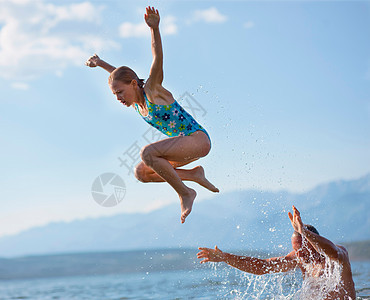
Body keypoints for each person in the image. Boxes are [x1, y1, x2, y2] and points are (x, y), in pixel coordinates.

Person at [86, 7, 219, 223]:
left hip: (197, 140)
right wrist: (100, 63)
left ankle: (185, 193)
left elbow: (157, 57)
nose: (118, 97)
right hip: (184, 150)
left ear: (132, 84)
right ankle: (194, 175)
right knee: (142, 173)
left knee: (147, 153)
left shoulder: (152, 90)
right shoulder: (138, 104)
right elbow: (116, 74)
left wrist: (154, 29)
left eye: (120, 92)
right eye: (114, 94)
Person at [197, 206, 356, 299]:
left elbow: (333, 251)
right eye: (296, 250)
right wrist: (225, 257)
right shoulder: (299, 259)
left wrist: (304, 232)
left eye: (302, 249)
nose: (299, 254)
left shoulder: (338, 257)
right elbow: (262, 266)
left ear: (314, 243)